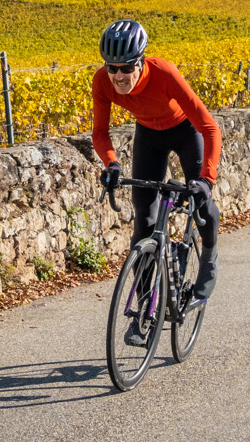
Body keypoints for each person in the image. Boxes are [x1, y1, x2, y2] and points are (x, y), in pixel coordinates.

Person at [92, 19, 221, 313]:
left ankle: (210, 255)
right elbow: (100, 132)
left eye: (126, 67)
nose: (119, 75)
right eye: (112, 68)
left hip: (185, 131)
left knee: (201, 204)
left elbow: (210, 128)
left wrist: (207, 179)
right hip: (148, 136)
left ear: (141, 61)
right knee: (144, 225)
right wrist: (111, 163)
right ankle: (143, 311)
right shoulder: (102, 82)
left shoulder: (163, 73)